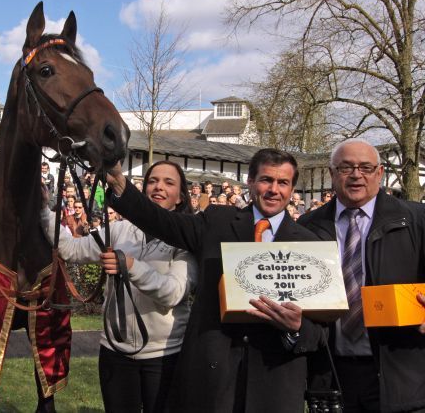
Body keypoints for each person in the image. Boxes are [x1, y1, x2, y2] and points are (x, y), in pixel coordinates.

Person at [106, 148, 325, 412]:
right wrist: (120, 182)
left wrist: (297, 328)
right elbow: (162, 221)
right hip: (213, 379)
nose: (273, 189)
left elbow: (323, 330)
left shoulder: (309, 244)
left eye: (283, 183)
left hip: (273, 383)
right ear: (251, 182)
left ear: (292, 189)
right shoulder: (216, 221)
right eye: (266, 180)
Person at [41, 160, 197, 413]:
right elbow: (70, 249)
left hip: (165, 355)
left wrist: (131, 266)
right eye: (153, 181)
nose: (159, 187)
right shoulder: (120, 230)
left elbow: (173, 293)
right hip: (115, 352)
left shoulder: (185, 238)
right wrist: (42, 209)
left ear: (180, 197)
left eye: (169, 183)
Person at [298, 139, 425, 412]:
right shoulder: (307, 227)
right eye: (346, 168)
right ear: (331, 174)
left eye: (365, 167)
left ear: (379, 173)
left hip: (403, 374)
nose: (357, 175)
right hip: (332, 377)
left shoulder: (417, 220)